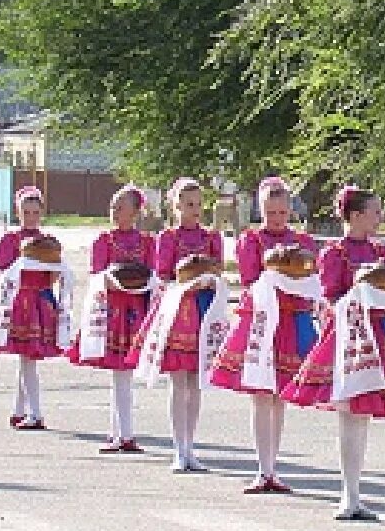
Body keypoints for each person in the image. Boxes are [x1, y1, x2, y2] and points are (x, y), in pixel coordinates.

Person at [284, 186, 385, 520]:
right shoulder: (335, 253)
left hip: (380, 334)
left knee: (362, 415)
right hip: (348, 337)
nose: (380, 218)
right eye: (375, 212)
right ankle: (348, 494)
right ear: (356, 215)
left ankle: (355, 493)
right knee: (349, 413)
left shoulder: (381, 252)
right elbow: (329, 297)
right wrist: (355, 299)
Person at [210, 177, 319, 494]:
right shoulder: (252, 241)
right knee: (261, 394)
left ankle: (274, 467)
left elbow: (312, 276)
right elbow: (249, 279)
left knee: (280, 396)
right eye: (270, 212)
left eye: (282, 213)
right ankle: (262, 468)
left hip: (291, 320)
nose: (276, 219)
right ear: (261, 210)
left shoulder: (302, 243)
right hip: (260, 320)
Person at [127, 177, 225, 473]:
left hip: (204, 309)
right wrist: (184, 282)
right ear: (176, 206)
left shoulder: (212, 238)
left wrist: (209, 279)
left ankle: (191, 446)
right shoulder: (168, 238)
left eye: (198, 204)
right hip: (178, 311)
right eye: (188, 205)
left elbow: (219, 269)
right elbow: (162, 274)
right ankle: (178, 448)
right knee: (178, 380)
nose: (195, 210)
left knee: (196, 383)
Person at [0, 186, 73, 430]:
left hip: (40, 302)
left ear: (41, 213)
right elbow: (5, 272)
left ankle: (20, 411)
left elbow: (54, 274)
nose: (30, 217)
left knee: (28, 357)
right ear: (18, 212)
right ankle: (34, 413)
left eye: (35, 212)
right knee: (26, 357)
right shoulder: (10, 240)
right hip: (18, 302)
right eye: (26, 212)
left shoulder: (48, 242)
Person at [68, 184, 156, 452]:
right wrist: (110, 279)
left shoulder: (147, 242)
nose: (114, 212)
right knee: (119, 373)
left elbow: (153, 274)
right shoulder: (104, 240)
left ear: (135, 212)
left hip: (135, 310)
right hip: (112, 310)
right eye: (112, 207)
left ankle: (121, 434)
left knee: (125, 374)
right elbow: (97, 273)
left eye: (120, 207)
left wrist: (138, 284)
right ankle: (121, 434)